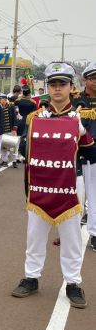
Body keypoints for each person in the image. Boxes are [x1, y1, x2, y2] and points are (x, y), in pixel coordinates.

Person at [11, 62, 93, 309]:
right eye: (53, 84)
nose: (57, 89)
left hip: (70, 181)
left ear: (71, 87)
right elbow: (25, 150)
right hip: (40, 183)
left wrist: (82, 133)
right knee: (35, 235)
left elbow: (92, 153)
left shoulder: (81, 116)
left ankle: (73, 283)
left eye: (62, 84)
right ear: (47, 88)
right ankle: (31, 277)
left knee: (71, 237)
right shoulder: (35, 117)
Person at [75, 62, 96, 250]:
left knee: (95, 196)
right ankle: (70, 233)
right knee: (75, 197)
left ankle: (95, 233)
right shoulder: (76, 101)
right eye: (93, 78)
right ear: (86, 80)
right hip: (79, 155)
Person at [0, 93, 19, 168]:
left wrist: (14, 129)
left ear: (4, 99)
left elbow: (15, 118)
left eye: (1, 99)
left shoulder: (11, 107)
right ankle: (5, 161)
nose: (0, 101)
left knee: (13, 146)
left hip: (11, 130)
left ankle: (15, 161)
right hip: (3, 131)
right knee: (4, 147)